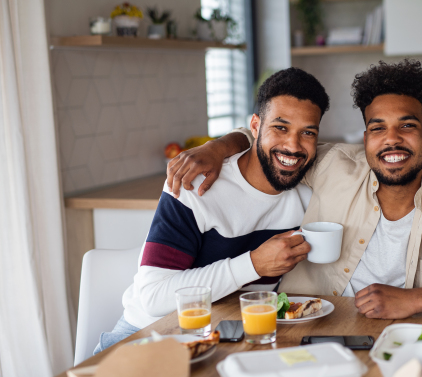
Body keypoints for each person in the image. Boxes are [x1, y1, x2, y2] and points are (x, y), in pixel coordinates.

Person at [167, 59, 422, 320]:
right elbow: (276, 143)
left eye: (408, 126)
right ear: (365, 138)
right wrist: (218, 147)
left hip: (403, 340)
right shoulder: (334, 164)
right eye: (378, 128)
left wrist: (414, 301)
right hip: (302, 327)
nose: (392, 140)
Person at [93, 67, 330, 354]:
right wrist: (253, 264)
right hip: (149, 335)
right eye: (280, 127)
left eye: (307, 133)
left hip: (226, 338)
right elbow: (154, 296)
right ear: (255, 126)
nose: (293, 145)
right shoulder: (196, 185)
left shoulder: (306, 197)